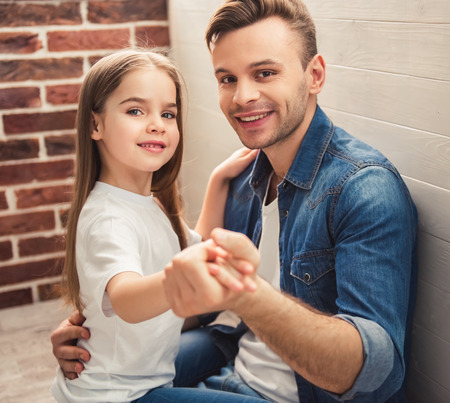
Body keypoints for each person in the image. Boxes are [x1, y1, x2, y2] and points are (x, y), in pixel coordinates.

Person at [51, 1, 418, 402]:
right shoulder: (245, 177)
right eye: (227, 78)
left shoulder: (363, 189)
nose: (243, 96)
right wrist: (95, 336)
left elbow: (374, 371)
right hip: (230, 358)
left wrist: (245, 294)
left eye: (265, 73)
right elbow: (197, 305)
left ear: (314, 75)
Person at [50, 48, 260, 403]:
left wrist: (218, 181)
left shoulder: (150, 202)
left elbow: (193, 245)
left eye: (168, 113)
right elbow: (126, 299)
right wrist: (182, 274)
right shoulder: (108, 217)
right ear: (95, 124)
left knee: (226, 335)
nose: (157, 124)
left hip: (147, 370)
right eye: (135, 110)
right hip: (119, 395)